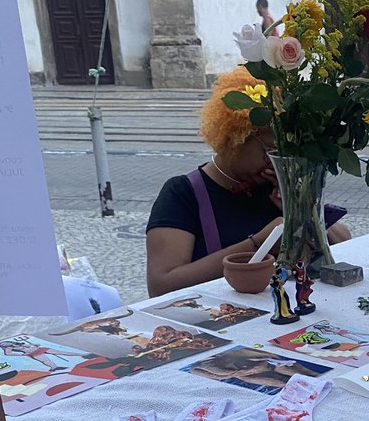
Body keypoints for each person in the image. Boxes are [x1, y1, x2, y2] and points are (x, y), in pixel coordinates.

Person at [145, 66, 350, 297]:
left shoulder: (272, 186)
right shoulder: (183, 194)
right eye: (270, 151)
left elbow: (345, 242)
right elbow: (161, 285)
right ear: (237, 136)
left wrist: (300, 206)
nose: (275, 164)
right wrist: (259, 244)